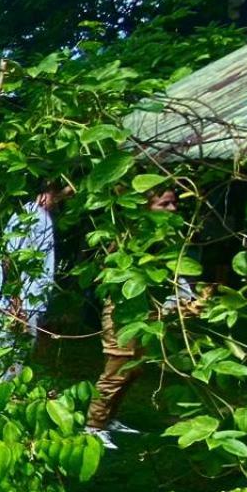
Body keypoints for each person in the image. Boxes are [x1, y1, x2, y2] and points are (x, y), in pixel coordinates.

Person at [86, 187, 199, 448]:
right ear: (146, 206)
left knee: (133, 370)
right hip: (123, 312)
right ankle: (93, 425)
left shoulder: (164, 237)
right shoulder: (129, 238)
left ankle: (109, 419)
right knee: (116, 369)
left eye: (174, 204)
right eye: (165, 204)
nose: (173, 209)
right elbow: (112, 271)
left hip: (146, 311)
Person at [0, 182, 74, 380]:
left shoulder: (33, 215)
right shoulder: (35, 217)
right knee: (11, 359)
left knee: (8, 356)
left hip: (25, 300)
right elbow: (10, 260)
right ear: (47, 193)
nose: (64, 200)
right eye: (63, 193)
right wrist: (16, 300)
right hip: (22, 303)